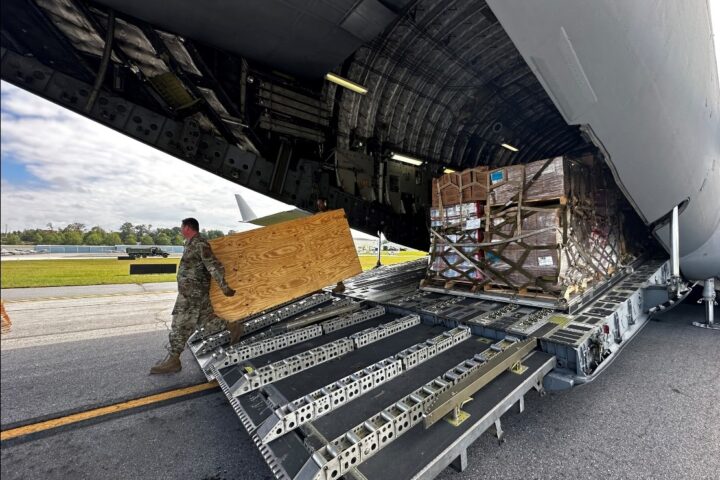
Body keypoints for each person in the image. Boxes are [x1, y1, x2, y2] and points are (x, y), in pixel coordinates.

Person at [150, 217, 238, 374]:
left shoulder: (200, 244)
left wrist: (224, 287)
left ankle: (174, 360)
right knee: (206, 320)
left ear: (187, 228)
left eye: (181, 227)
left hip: (192, 295)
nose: (180, 229)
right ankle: (233, 327)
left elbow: (213, 265)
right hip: (193, 293)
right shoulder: (191, 244)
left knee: (179, 324)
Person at [316, 198, 345, 293]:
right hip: (322, 245)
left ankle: (340, 285)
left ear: (325, 203)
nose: (320, 206)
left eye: (321, 203)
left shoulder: (332, 213)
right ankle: (319, 287)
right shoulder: (317, 215)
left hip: (332, 244)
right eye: (318, 204)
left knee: (335, 265)